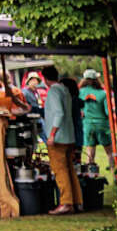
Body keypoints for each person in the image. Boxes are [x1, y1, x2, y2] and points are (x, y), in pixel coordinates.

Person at [40, 65, 81, 215]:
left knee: (60, 171)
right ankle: (77, 201)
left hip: (58, 138)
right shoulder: (65, 89)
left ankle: (66, 202)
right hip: (69, 136)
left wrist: (52, 134)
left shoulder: (54, 91)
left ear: (45, 78)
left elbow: (59, 113)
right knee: (70, 170)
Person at [78, 69, 114, 168]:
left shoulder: (80, 92)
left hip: (88, 125)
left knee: (90, 152)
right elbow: (108, 112)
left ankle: (91, 174)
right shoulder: (103, 93)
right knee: (109, 152)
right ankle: (115, 175)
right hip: (102, 125)